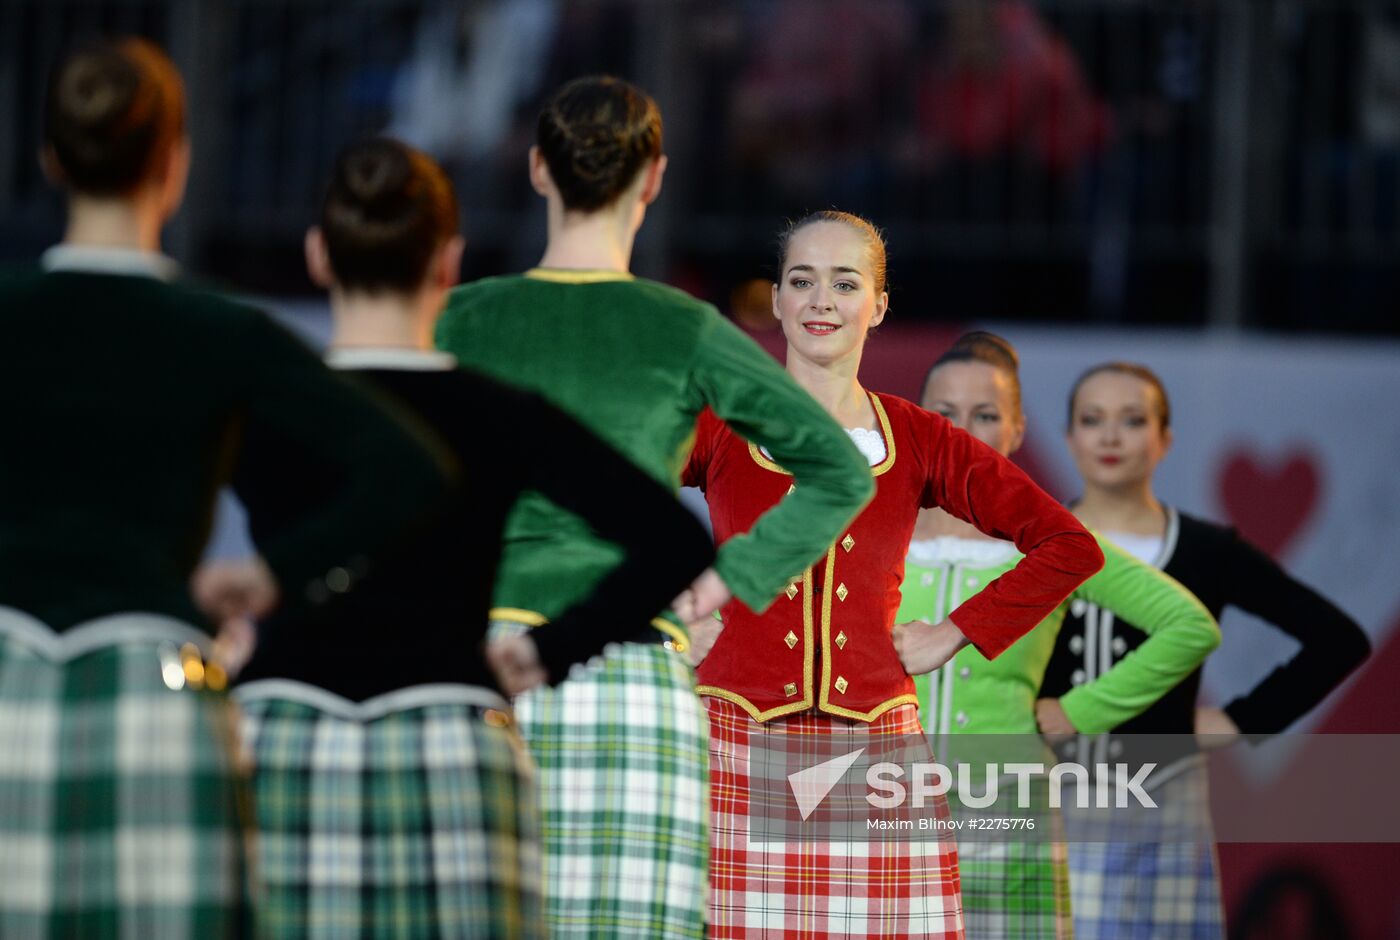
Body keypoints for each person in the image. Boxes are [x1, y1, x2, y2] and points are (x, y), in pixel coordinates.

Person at [0, 39, 447, 938]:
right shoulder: (221, 332)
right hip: (155, 691)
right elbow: (408, 470)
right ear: (174, 162)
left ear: (52, 159)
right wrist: (274, 571)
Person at [232, 137, 716, 939]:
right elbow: (673, 541)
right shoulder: (498, 411)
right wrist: (550, 650)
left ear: (319, 254)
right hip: (451, 743)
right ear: (447, 262)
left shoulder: (270, 405)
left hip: (286, 736)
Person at [434, 77, 875, 939]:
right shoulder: (684, 327)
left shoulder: (457, 317)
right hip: (631, 678)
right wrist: (725, 580)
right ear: (654, 178)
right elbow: (839, 471)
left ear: (535, 170)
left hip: (475, 664)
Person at [682, 214, 1105, 939]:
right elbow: (594, 494)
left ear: (877, 306)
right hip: (735, 743)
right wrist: (670, 617)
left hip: (876, 758)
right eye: (802, 281)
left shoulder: (917, 438)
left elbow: (1069, 545)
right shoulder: (719, 425)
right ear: (776, 300)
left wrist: (955, 631)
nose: (821, 301)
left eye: (845, 284)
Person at [898, 332, 1220, 940]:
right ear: (918, 425)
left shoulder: (1050, 546)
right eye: (944, 415)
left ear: (1017, 429)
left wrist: (1077, 710)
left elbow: (1188, 625)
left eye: (986, 415)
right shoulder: (874, 535)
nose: (964, 431)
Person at [1038, 362, 1371, 939]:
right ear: (1069, 439)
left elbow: (1337, 639)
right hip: (1057, 806)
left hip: (1166, 812)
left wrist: (1240, 718)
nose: (1111, 436)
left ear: (1165, 439)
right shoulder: (1033, 545)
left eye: (1133, 420)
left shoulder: (1204, 552)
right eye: (1093, 420)